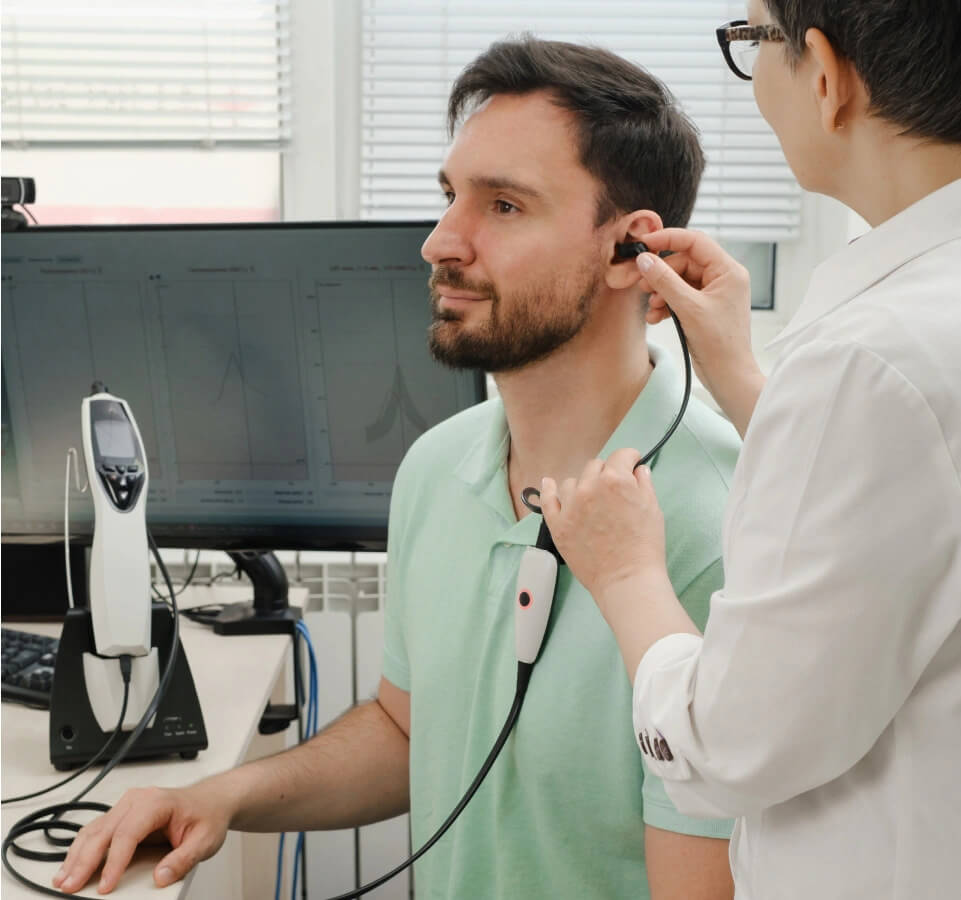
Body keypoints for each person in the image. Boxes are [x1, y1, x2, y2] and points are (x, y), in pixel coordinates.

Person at [53, 38, 742, 899]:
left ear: (626, 251)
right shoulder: (437, 467)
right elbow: (407, 730)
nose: (439, 242)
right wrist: (221, 796)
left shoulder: (722, 525)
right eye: (450, 196)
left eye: (503, 205)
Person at [539, 2, 961, 898]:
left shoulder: (868, 359)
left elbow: (731, 745)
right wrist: (741, 374)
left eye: (751, 42)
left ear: (823, 74)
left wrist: (623, 573)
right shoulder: (909, 333)